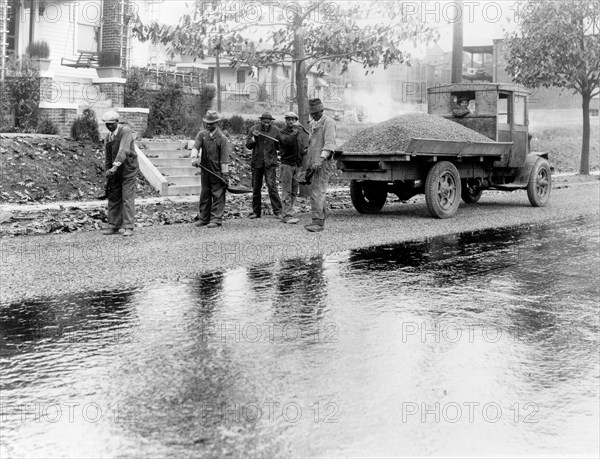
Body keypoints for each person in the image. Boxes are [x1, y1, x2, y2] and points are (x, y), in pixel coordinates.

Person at [101, 110, 139, 237]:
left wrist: (115, 166)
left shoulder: (125, 131)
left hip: (128, 169)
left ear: (117, 122)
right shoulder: (108, 137)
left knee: (127, 197)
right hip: (115, 171)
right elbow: (108, 157)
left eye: (111, 123)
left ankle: (129, 226)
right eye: (107, 124)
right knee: (113, 197)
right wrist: (108, 171)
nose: (109, 126)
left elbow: (124, 149)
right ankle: (114, 225)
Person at [190, 110, 230, 228]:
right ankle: (204, 218)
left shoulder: (222, 139)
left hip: (217, 172)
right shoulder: (202, 135)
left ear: (217, 123)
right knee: (205, 195)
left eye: (211, 124)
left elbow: (224, 159)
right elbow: (195, 147)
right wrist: (193, 158)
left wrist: (225, 175)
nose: (208, 125)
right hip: (205, 171)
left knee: (218, 195)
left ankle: (216, 219)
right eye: (206, 123)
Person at [304, 98, 337, 232]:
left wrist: (320, 160)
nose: (316, 115)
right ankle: (319, 218)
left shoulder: (329, 123)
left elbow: (329, 144)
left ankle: (318, 223)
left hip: (323, 162)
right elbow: (313, 144)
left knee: (318, 191)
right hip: (314, 162)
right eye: (313, 113)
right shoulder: (314, 124)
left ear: (322, 111)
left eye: (318, 112)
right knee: (316, 191)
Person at [246, 112, 282, 218]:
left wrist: (280, 143)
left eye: (268, 122)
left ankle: (278, 211)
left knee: (272, 186)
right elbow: (248, 145)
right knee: (256, 188)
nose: (266, 124)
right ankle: (256, 212)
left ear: (271, 121)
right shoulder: (254, 129)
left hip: (270, 163)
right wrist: (254, 138)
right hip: (257, 162)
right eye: (264, 122)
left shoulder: (276, 130)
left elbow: (280, 147)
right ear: (260, 121)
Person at [277, 111, 308, 224]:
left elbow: (300, 149)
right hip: (287, 165)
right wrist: (295, 132)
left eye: (293, 119)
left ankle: (288, 211)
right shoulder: (281, 132)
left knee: (294, 191)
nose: (291, 121)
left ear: (296, 120)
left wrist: (306, 151)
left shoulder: (299, 133)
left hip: (297, 166)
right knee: (287, 191)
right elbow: (286, 142)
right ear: (285, 121)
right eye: (288, 119)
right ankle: (286, 215)